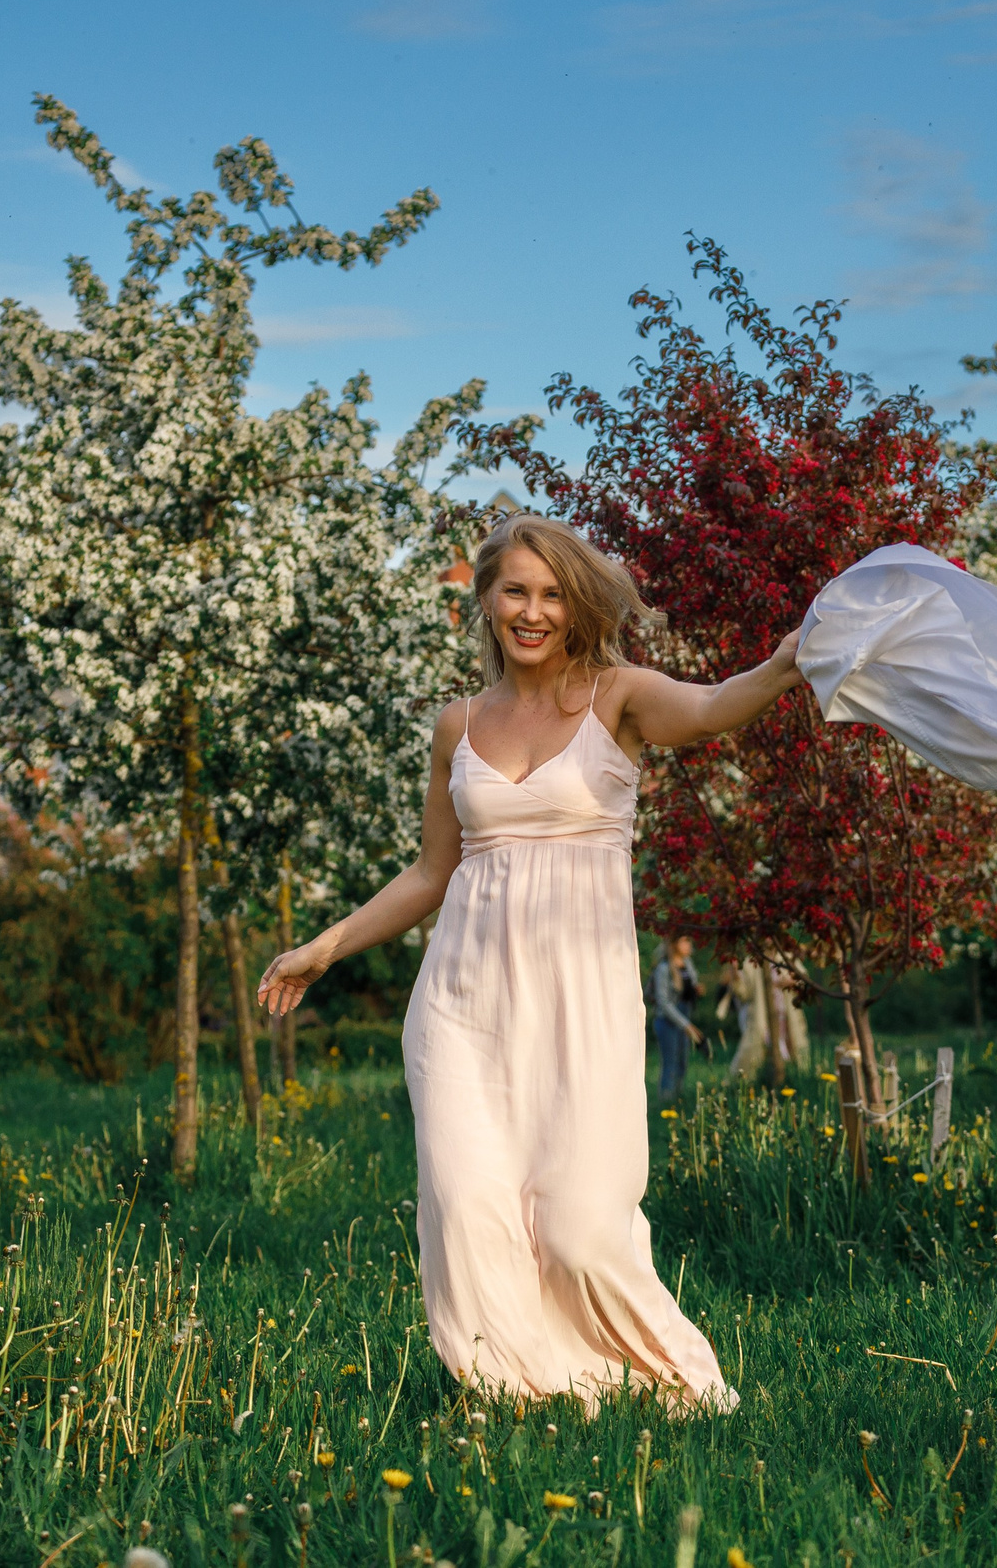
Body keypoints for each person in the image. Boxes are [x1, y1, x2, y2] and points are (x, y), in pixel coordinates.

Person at [258, 512, 802, 1415]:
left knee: (584, 1228)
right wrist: (327, 944)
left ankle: (669, 1379)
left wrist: (781, 666)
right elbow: (435, 869)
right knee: (470, 1213)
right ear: (485, 600)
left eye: (552, 593)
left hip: (582, 1002)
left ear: (577, 603)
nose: (533, 611)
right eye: (515, 590)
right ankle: (515, 1390)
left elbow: (709, 708)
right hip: (464, 1003)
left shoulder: (617, 697)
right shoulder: (457, 725)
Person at [647, 935, 705, 1101]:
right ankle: (666, 1099)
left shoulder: (688, 965)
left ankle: (678, 1099)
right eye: (685, 941)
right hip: (668, 1020)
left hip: (684, 1016)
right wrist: (685, 1024)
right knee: (670, 1062)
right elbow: (663, 1002)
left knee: (682, 1061)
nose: (689, 944)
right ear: (674, 944)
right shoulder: (664, 968)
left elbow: (689, 988)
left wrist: (697, 991)